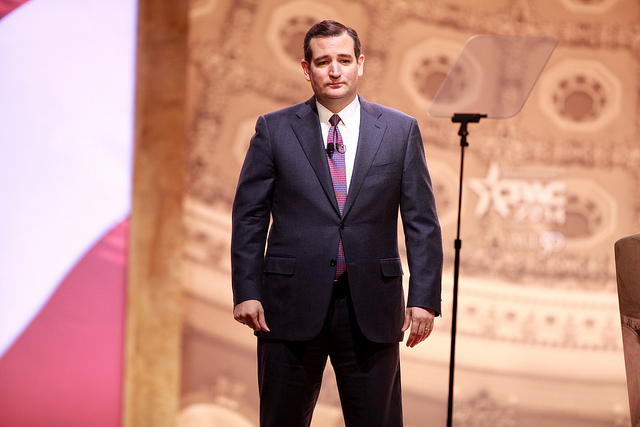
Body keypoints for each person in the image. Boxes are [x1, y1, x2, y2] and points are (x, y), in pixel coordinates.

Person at [231, 20, 443, 427]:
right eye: (323, 61)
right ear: (306, 68)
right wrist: (247, 290)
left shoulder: (400, 130)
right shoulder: (274, 129)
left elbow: (422, 221)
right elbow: (250, 216)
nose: (334, 71)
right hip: (288, 305)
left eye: (344, 60)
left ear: (360, 64)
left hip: (372, 305)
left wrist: (424, 298)